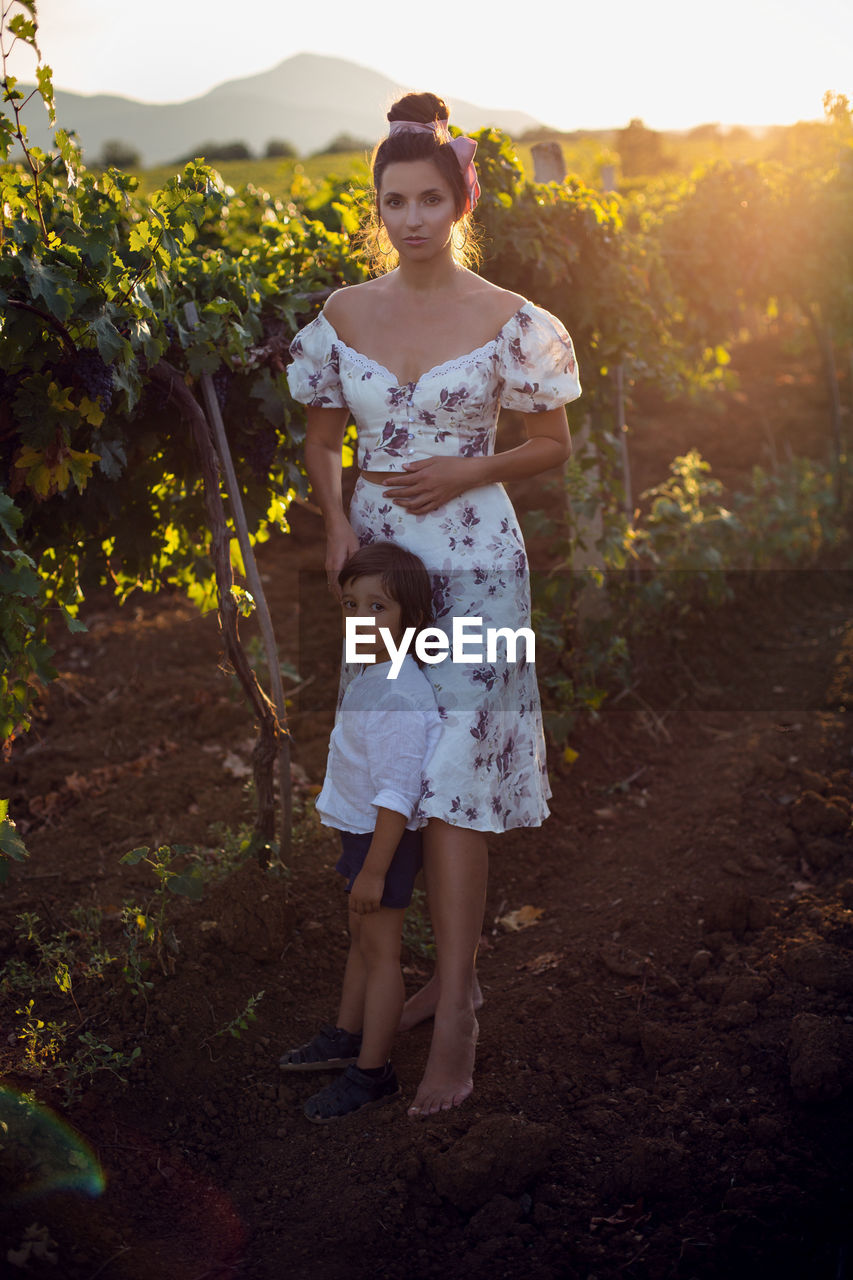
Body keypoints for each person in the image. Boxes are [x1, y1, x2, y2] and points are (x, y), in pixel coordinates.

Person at [287, 91, 581, 1118]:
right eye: (392, 200)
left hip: (478, 564)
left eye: (427, 198)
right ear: (377, 207)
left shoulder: (510, 318)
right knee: (386, 755)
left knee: (458, 780)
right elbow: (324, 435)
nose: (410, 217)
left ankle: (455, 1007)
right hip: (378, 570)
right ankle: (378, 996)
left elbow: (552, 445)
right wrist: (333, 526)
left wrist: (466, 469)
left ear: (460, 201)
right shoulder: (341, 314)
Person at [279, 542, 442, 1122]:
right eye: (352, 605)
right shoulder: (375, 673)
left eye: (379, 608)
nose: (360, 620)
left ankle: (373, 1072)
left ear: (411, 619)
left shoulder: (399, 694)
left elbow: (398, 796)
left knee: (381, 954)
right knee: (362, 941)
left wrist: (373, 870)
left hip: (383, 844)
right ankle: (347, 1036)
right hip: (363, 836)